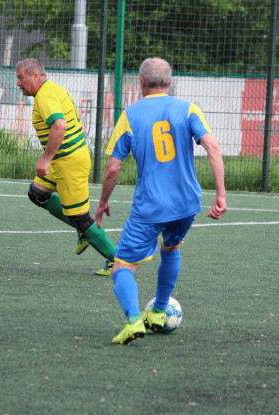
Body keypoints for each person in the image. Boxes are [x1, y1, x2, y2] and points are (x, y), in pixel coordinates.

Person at [95, 58, 227, 344]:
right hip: (187, 204)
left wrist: (104, 201)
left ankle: (134, 321)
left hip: (150, 206)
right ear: (170, 82)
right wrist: (220, 194)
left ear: (141, 82)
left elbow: (113, 168)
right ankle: (157, 311)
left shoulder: (130, 115)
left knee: (121, 267)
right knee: (171, 247)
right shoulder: (189, 109)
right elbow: (213, 147)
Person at [15, 58, 115, 276]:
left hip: (70, 162)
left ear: (35, 76)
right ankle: (82, 230)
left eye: (21, 78)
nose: (18, 83)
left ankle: (117, 261)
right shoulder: (52, 89)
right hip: (64, 160)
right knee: (37, 194)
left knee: (82, 219)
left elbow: (60, 125)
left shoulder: (45, 96)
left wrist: (45, 158)